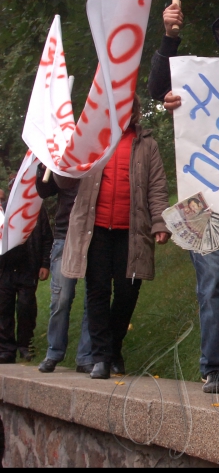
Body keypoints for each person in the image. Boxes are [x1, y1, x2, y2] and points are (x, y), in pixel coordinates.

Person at [149, 2, 219, 393]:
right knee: (211, 283)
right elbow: (159, 85)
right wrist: (170, 37)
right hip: (199, 202)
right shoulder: (201, 75)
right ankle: (214, 366)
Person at [61, 96, 170, 380]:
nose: (124, 113)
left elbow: (157, 187)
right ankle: (100, 357)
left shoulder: (147, 144)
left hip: (132, 232)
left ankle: (112, 346)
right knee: (96, 291)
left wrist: (159, 223)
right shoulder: (92, 141)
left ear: (135, 112)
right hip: (94, 230)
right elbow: (65, 179)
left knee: (127, 292)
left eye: (128, 108)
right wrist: (63, 158)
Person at [35, 164, 94, 374]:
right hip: (65, 233)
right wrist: (43, 168)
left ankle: (86, 356)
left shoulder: (101, 150)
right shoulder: (63, 153)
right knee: (61, 298)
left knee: (93, 298)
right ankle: (54, 352)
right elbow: (44, 190)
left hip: (93, 231)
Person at [0, 189, 52, 364]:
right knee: (3, 308)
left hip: (29, 267)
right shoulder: (3, 209)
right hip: (5, 268)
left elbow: (46, 238)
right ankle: (6, 350)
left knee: (26, 307)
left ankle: (24, 345)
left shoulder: (36, 210)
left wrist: (45, 263)